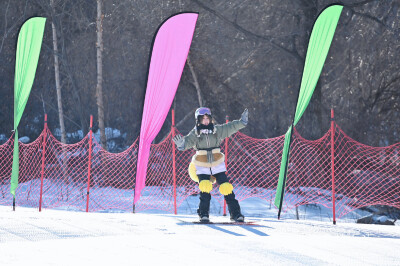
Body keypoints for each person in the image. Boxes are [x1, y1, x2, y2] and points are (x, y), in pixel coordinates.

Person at [172, 107, 249, 222]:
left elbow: (229, 128)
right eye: (203, 119)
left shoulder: (216, 130)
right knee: (205, 187)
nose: (206, 121)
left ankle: (236, 214)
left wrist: (241, 122)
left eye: (208, 118)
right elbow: (188, 142)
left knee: (226, 187)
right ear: (198, 120)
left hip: (216, 163)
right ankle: (203, 214)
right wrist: (182, 144)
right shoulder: (195, 133)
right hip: (202, 165)